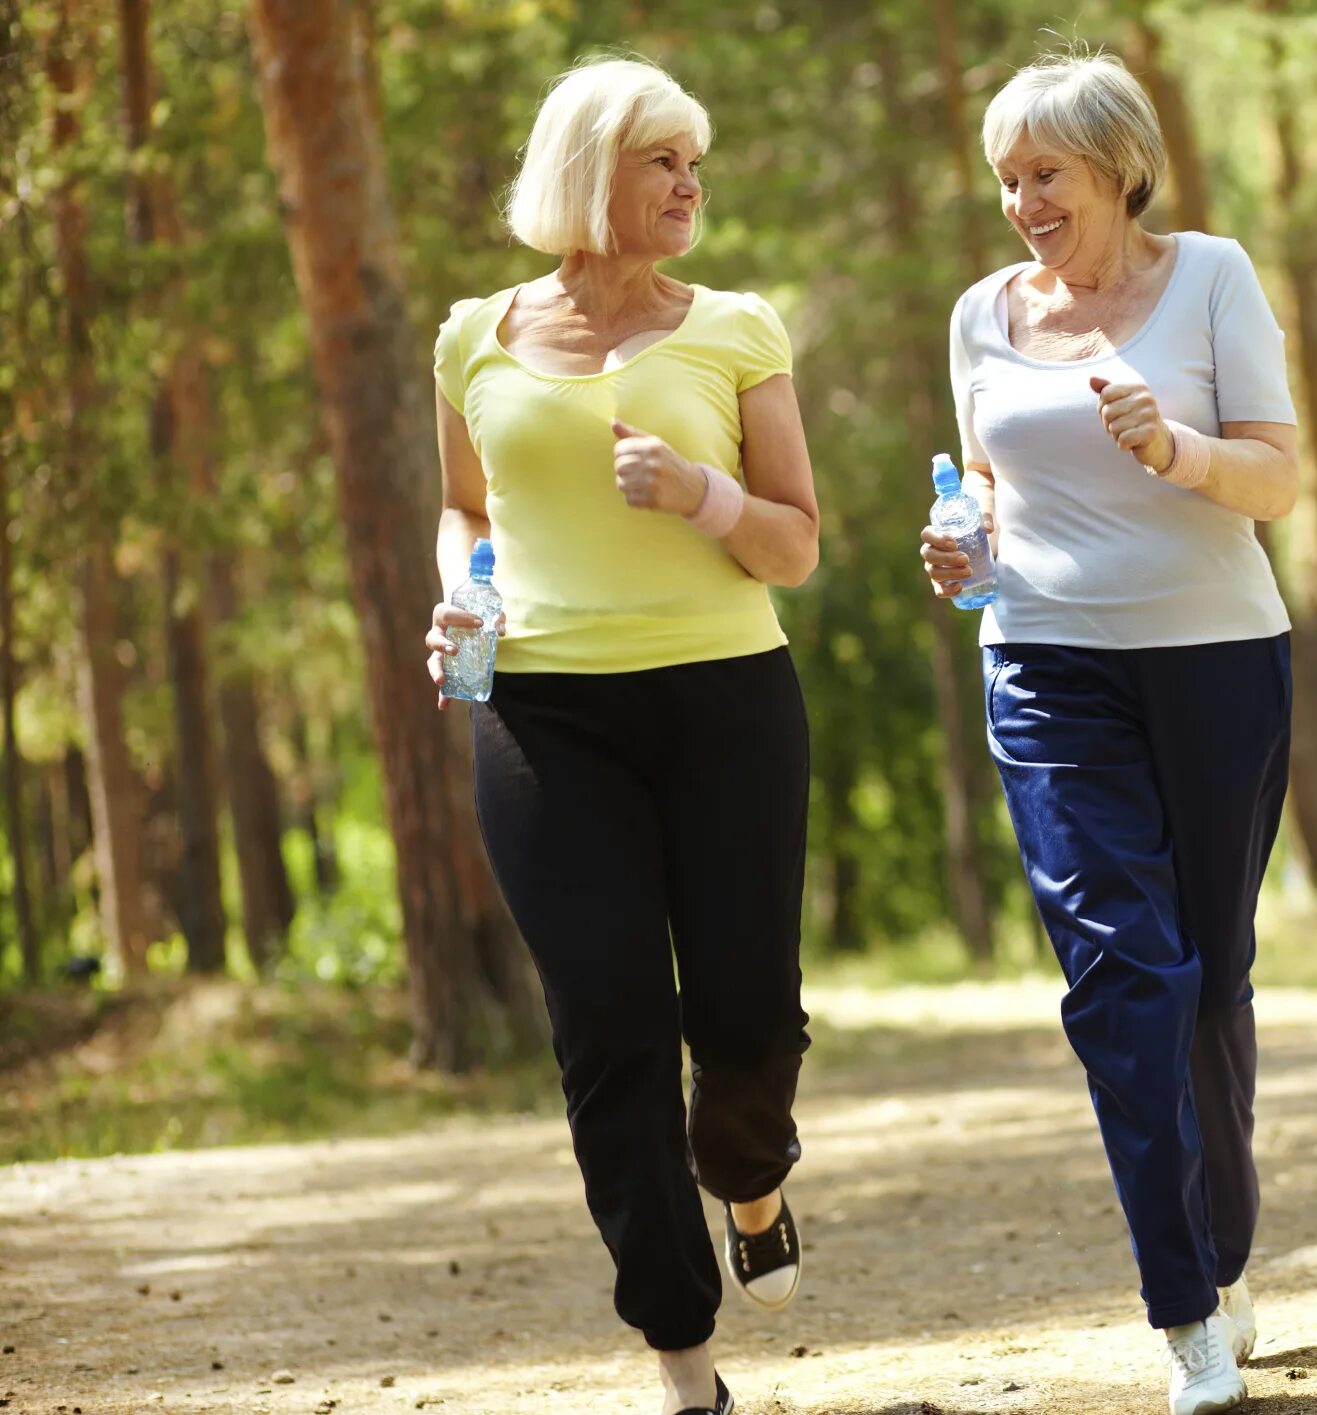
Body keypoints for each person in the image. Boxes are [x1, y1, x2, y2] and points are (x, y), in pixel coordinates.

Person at [424, 57, 818, 1415]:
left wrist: (704, 493)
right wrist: (457, 595)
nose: (691, 184)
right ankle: (681, 1359)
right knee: (608, 1025)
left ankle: (753, 1181)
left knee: (746, 1012)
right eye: (665, 161)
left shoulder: (736, 330)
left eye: (694, 162)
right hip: (540, 712)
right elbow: (463, 509)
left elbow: (797, 542)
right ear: (591, 172)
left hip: (725, 703)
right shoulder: (472, 334)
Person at [920, 49, 1302, 1415]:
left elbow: (1277, 473)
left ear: (1116, 169)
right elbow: (986, 493)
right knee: (1120, 980)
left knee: (1209, 977)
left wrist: (1179, 452)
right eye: (1005, 178)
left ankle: (1225, 1244)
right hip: (1043, 667)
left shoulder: (1208, 277)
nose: (1021, 201)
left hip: (1216, 666)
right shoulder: (980, 315)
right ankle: (1183, 1307)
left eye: (1045, 174)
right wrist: (958, 548)